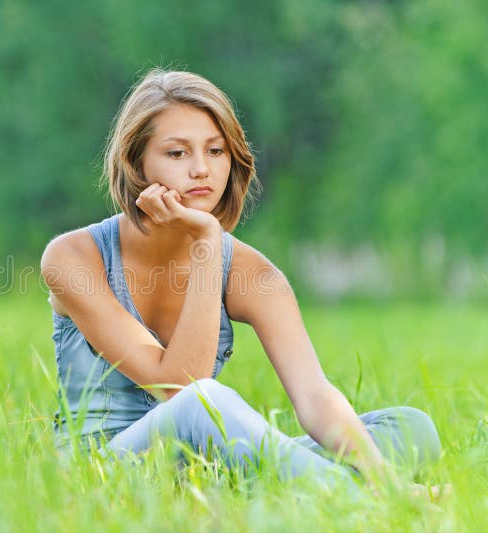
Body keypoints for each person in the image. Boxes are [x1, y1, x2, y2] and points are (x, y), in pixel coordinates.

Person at [40, 68, 442, 494]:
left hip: (206, 466)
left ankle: (332, 485)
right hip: (107, 473)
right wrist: (206, 243)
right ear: (136, 163)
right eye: (177, 154)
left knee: (409, 428)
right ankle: (372, 502)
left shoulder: (254, 273)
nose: (201, 170)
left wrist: (378, 470)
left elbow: (313, 396)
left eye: (215, 151)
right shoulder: (74, 258)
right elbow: (180, 389)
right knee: (205, 403)